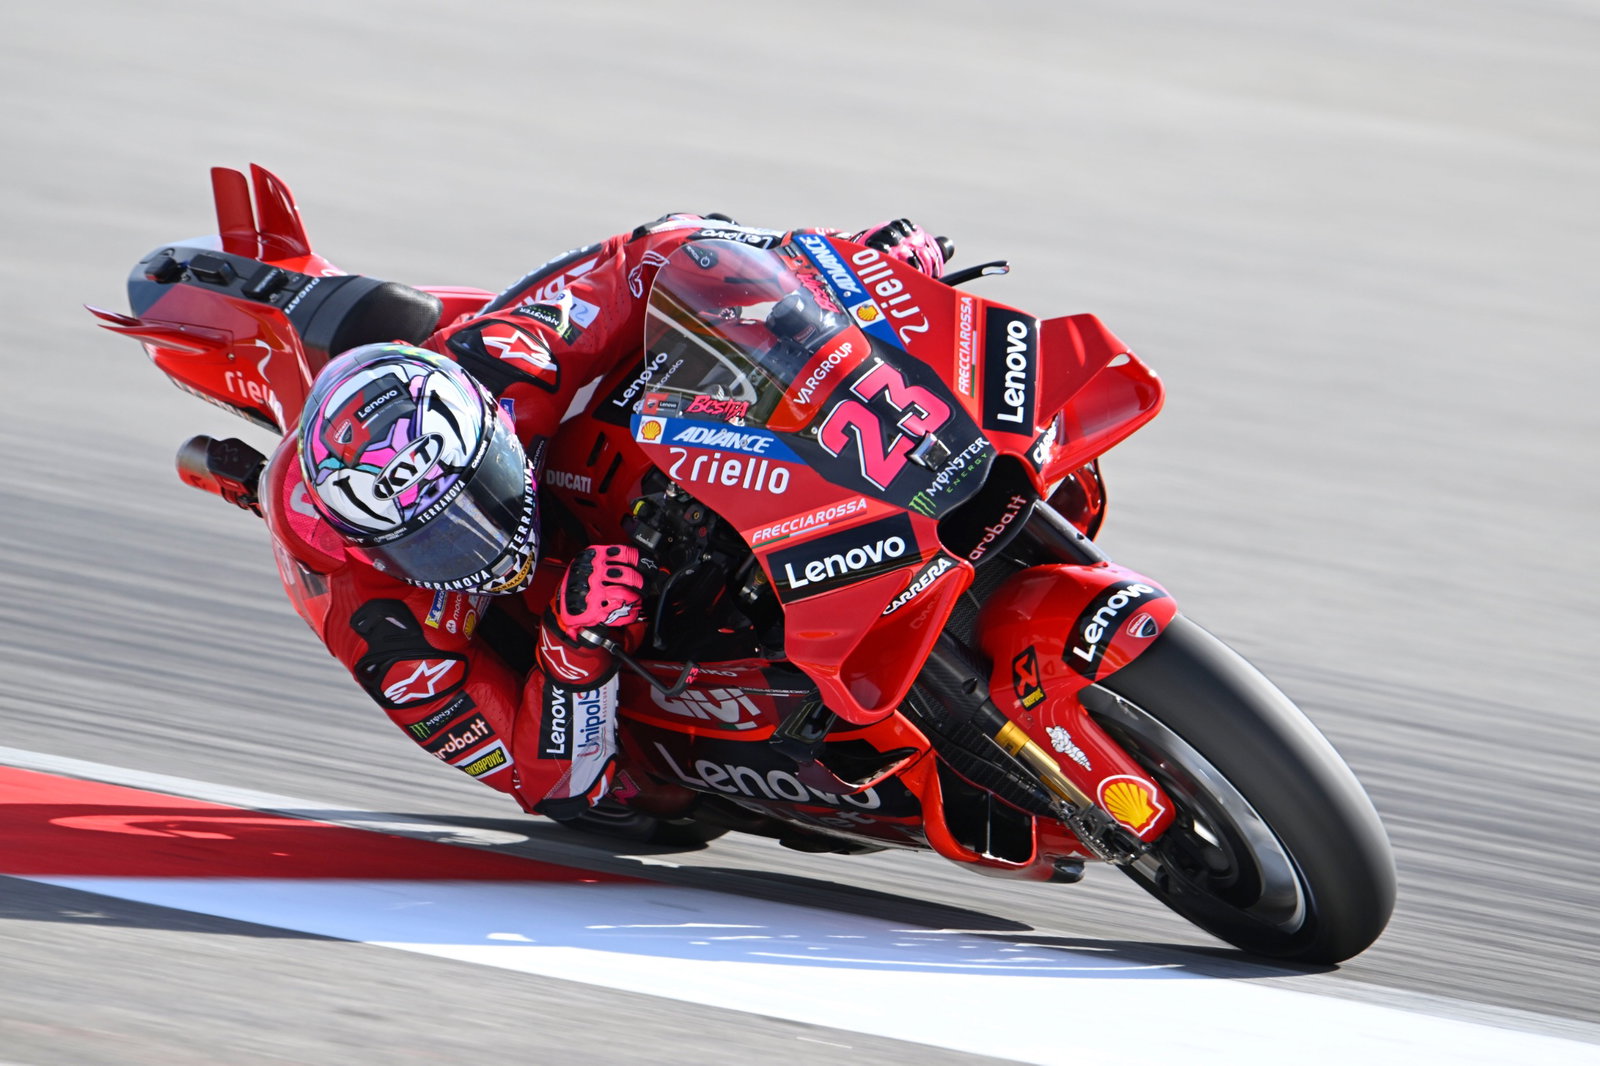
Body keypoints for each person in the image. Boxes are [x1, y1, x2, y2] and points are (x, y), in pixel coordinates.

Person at [257, 215, 951, 818]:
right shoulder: (380, 625)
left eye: (482, 492)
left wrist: (836, 272)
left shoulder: (507, 360)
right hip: (561, 639)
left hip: (587, 458)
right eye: (434, 542)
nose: (483, 541)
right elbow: (547, 787)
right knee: (648, 803)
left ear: (494, 427)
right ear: (372, 548)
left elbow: (662, 251)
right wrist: (570, 652)